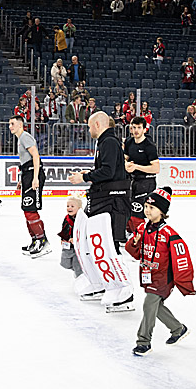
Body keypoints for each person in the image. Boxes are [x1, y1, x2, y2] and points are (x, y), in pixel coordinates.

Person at [124, 187, 194, 355]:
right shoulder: (142, 228)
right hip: (149, 275)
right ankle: (178, 329)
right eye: (146, 207)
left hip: (163, 278)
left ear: (162, 212)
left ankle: (143, 342)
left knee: (149, 304)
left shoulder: (169, 234)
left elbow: (182, 257)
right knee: (155, 306)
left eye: (151, 208)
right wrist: (135, 242)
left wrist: (183, 281)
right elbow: (133, 252)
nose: (147, 210)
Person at [68, 111, 130, 251]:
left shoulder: (108, 142)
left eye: (90, 127)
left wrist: (84, 177)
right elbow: (107, 170)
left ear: (97, 124)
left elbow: (108, 172)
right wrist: (90, 173)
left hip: (112, 202)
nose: (89, 130)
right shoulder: (106, 142)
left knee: (109, 244)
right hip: (109, 199)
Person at [9, 115, 50, 258]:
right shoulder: (20, 139)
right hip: (27, 173)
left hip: (33, 174)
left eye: (12, 123)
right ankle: (35, 240)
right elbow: (26, 162)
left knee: (30, 209)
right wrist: (22, 178)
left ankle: (42, 241)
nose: (10, 126)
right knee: (27, 209)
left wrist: (35, 178)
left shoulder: (25, 137)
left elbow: (36, 157)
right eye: (9, 124)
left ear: (20, 125)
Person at [124, 116, 160, 236]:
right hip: (133, 181)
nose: (136, 130)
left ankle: (141, 235)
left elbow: (156, 168)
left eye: (139, 128)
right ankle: (130, 232)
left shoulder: (149, 146)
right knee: (127, 207)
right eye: (134, 127)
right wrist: (126, 164)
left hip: (147, 182)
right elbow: (125, 159)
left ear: (145, 129)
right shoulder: (129, 142)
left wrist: (137, 167)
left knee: (138, 210)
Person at [58, 196, 84, 281]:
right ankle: (76, 270)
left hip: (78, 247)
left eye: (72, 206)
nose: (69, 208)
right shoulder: (67, 218)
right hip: (67, 245)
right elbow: (64, 229)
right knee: (65, 263)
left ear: (79, 208)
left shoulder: (82, 219)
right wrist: (63, 238)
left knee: (78, 266)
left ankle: (80, 277)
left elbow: (83, 232)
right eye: (68, 206)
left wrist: (76, 239)